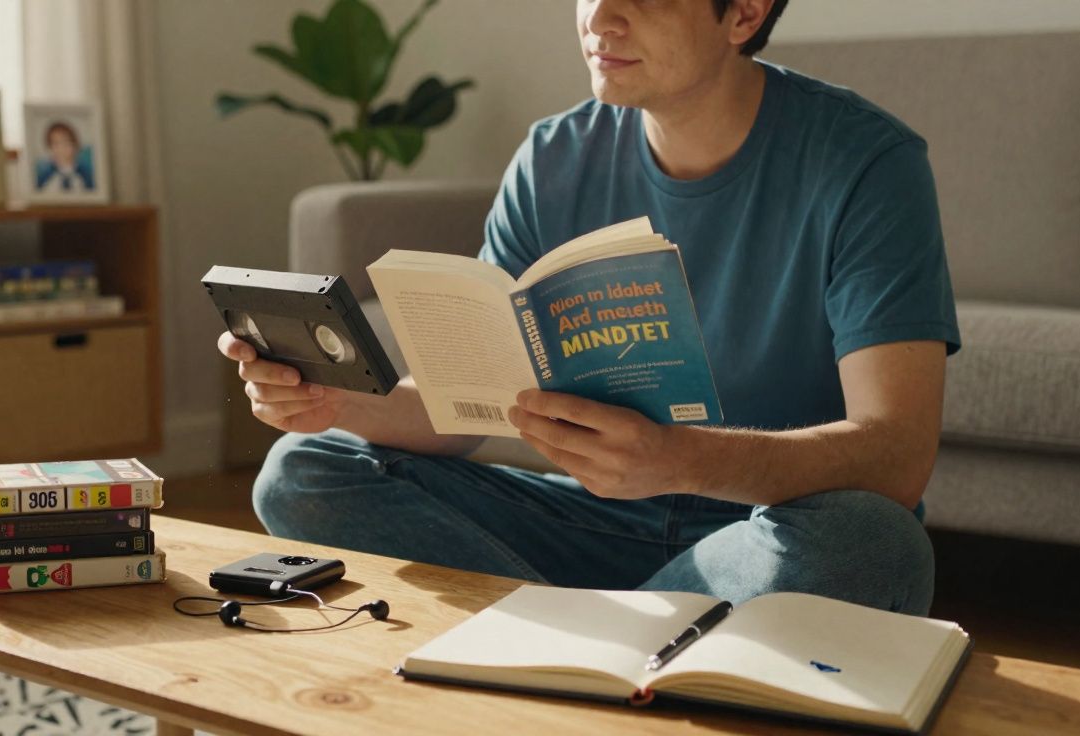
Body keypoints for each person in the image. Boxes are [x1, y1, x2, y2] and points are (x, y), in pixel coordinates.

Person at [219, 0, 960, 616]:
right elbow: (471, 412)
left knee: (873, 542)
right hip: (589, 522)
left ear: (743, 14)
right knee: (303, 467)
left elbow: (896, 458)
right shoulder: (552, 156)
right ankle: (635, 639)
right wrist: (332, 401)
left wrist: (677, 461)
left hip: (767, 532)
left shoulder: (867, 163)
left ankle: (561, 635)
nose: (600, 18)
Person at [34, 121, 96, 193]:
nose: (61, 149)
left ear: (75, 145)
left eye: (66, 142)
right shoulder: (44, 176)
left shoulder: (87, 175)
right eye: (56, 144)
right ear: (49, 147)